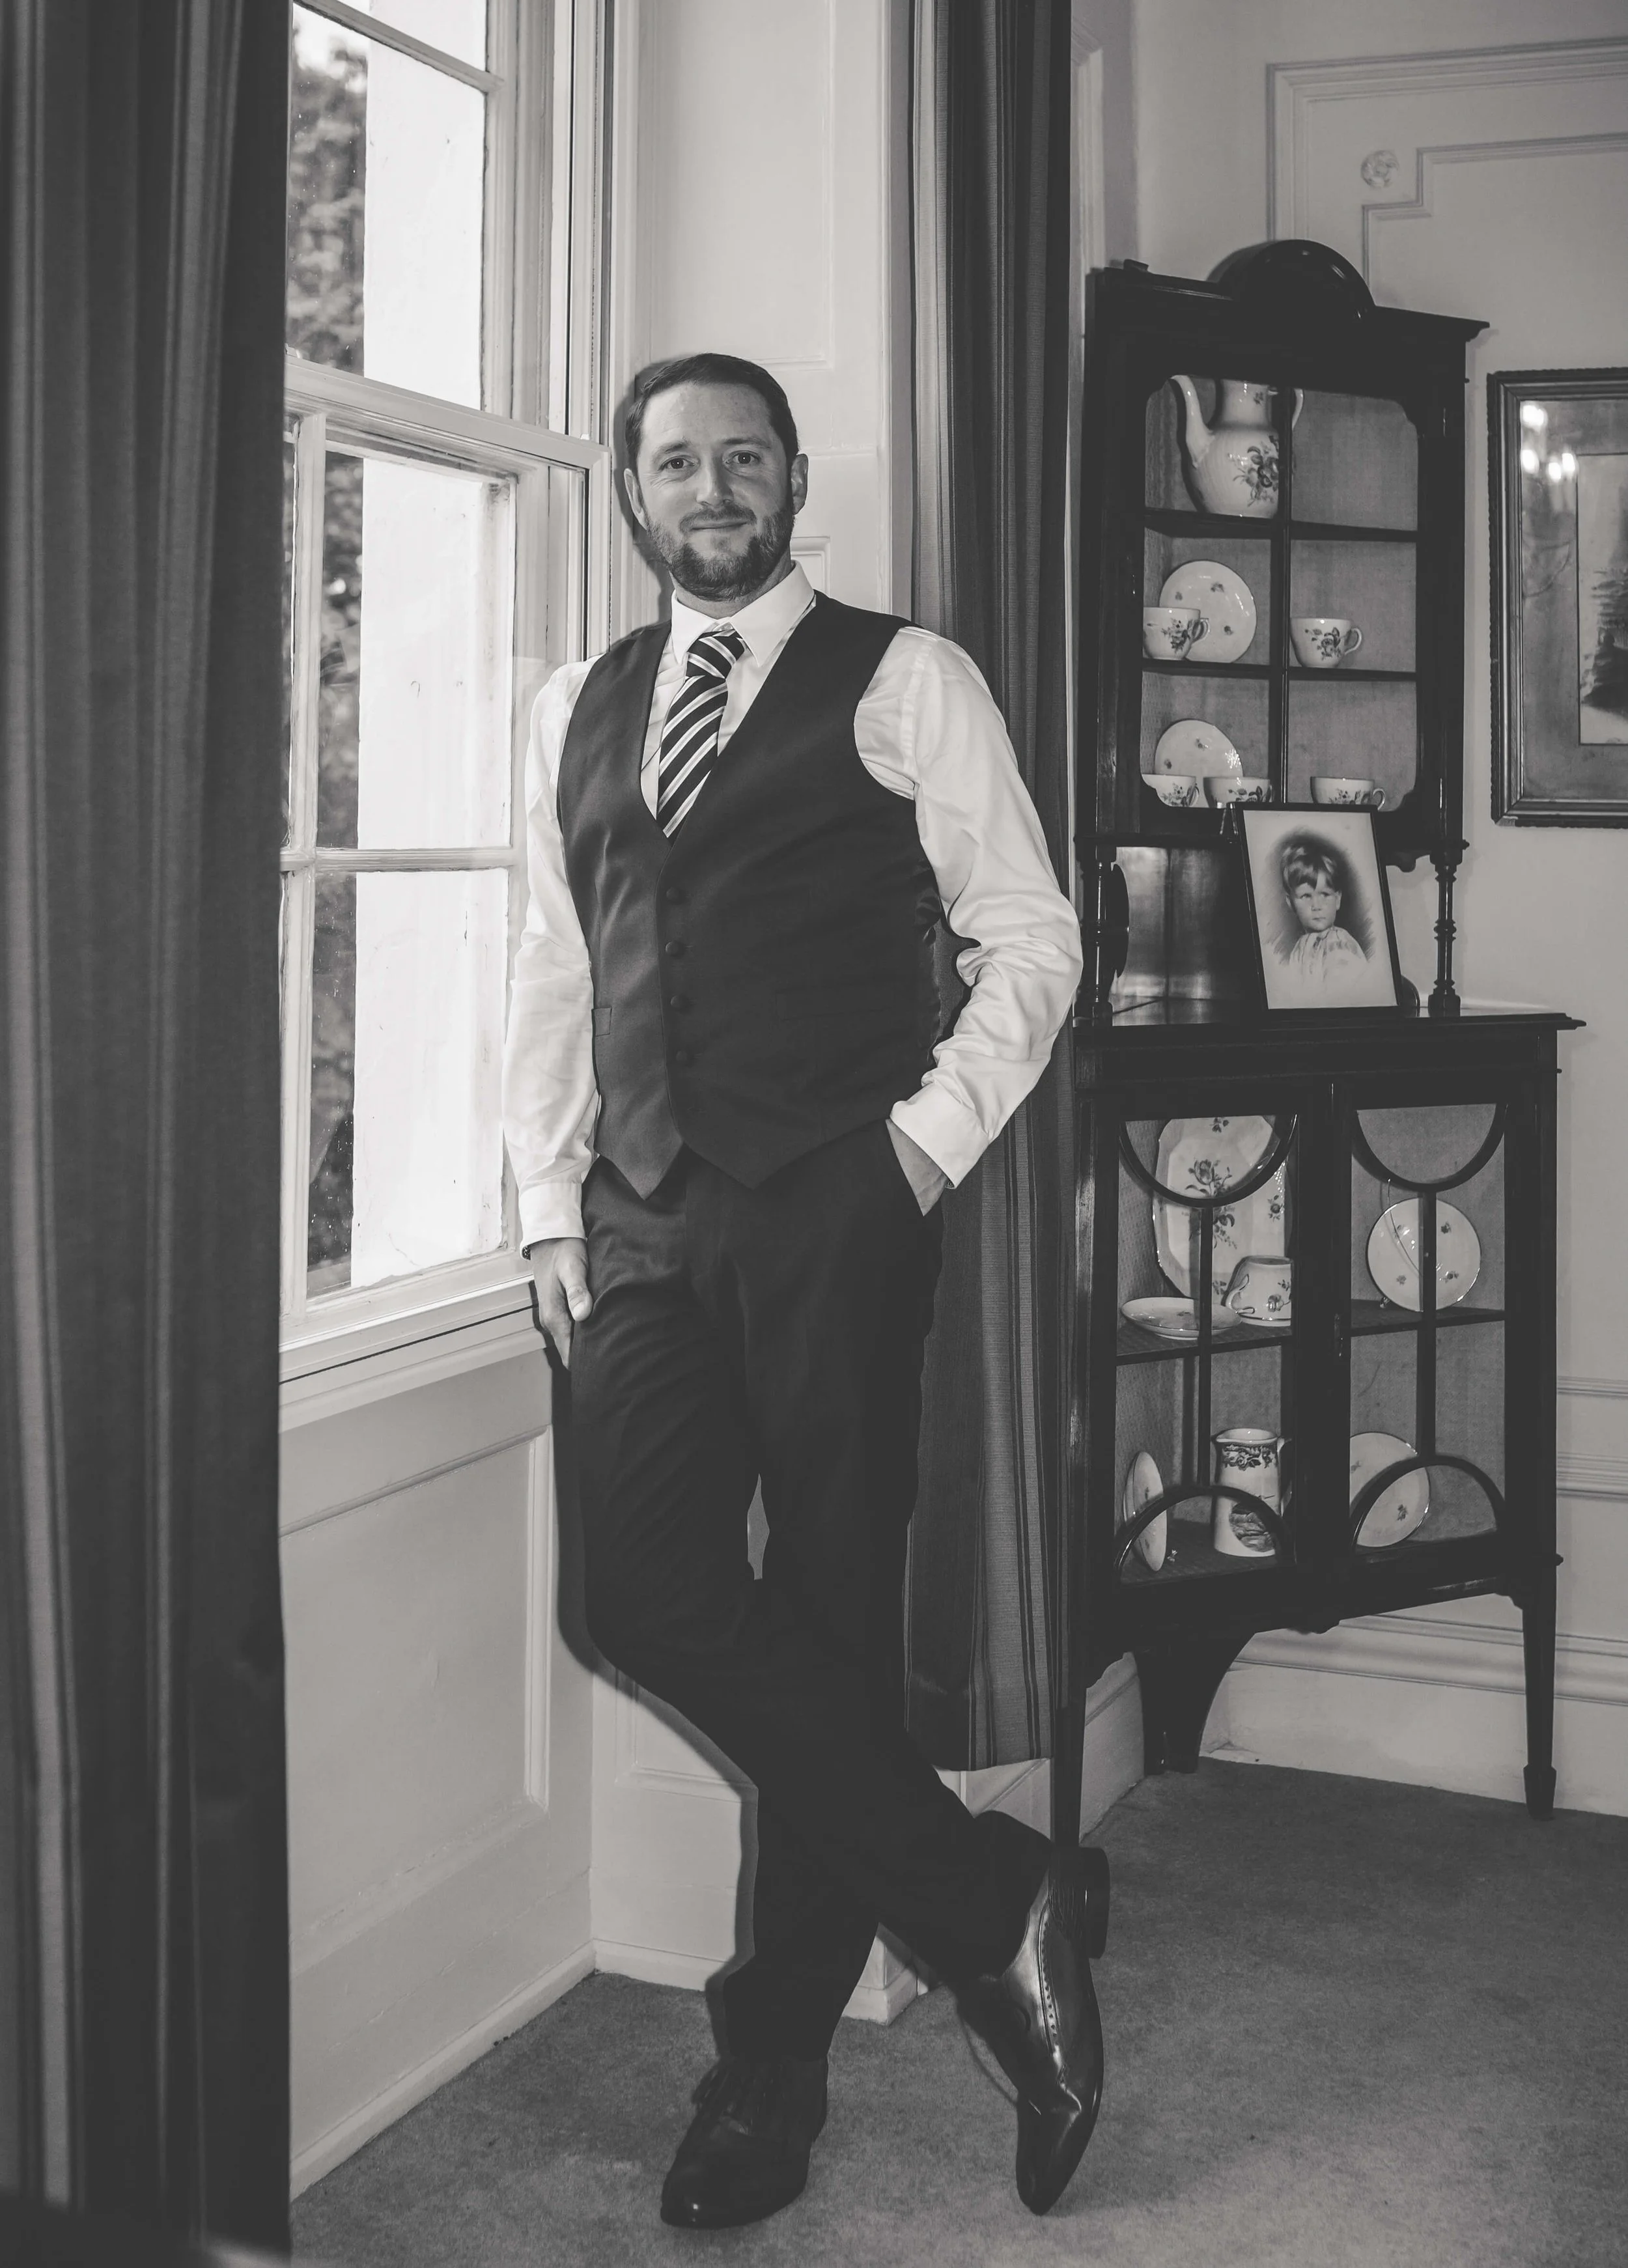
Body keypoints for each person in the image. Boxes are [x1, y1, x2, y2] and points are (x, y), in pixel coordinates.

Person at [501, 351, 1104, 2230]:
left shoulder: (907, 676)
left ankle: (770, 2070)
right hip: (637, 1222)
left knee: (829, 1633)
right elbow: (548, 963)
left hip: (839, 1207)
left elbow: (1032, 934)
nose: (708, 487)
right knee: (638, 1591)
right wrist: (544, 1203)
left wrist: (918, 1148)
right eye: (672, 461)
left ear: (789, 477)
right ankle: (986, 1893)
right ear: (628, 492)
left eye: (739, 457)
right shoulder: (569, 705)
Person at [1277, 833, 1369, 994]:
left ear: (1338, 899)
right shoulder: (1300, 947)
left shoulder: (1339, 943)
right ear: (1291, 903)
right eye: (1306, 896)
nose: (1317, 906)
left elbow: (1341, 994)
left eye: (1325, 895)